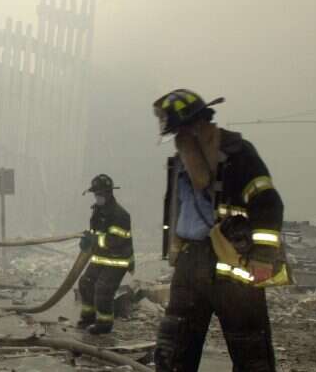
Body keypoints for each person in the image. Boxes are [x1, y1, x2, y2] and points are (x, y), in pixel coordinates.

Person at [152, 89, 291, 371]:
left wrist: (263, 255)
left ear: (197, 124)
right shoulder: (181, 160)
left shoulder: (238, 154)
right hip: (191, 267)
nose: (179, 140)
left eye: (183, 131)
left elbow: (269, 203)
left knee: (251, 354)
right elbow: (181, 209)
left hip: (234, 267)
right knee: (173, 351)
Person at [77, 174, 134, 335]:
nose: (97, 197)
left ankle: (104, 325)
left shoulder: (120, 215)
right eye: (96, 194)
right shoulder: (97, 210)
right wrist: (87, 240)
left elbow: (116, 241)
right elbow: (96, 233)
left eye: (100, 194)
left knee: (103, 289)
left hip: (118, 260)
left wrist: (94, 239)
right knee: (85, 283)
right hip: (102, 257)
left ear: (109, 193)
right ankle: (88, 318)